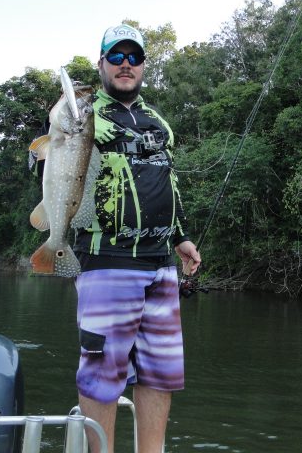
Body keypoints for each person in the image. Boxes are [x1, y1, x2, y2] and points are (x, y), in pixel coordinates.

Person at [72, 24, 201, 453]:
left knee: (159, 374)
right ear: (102, 63)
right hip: (106, 260)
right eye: (116, 56)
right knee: (102, 375)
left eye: (134, 57)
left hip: (161, 265)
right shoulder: (84, 116)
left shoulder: (156, 120)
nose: (125, 64)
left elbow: (169, 180)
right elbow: (56, 171)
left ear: (144, 65)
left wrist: (181, 237)